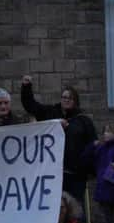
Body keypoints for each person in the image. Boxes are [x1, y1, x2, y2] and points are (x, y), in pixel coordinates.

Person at [21, 75, 97, 205]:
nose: (66, 100)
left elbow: (92, 146)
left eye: (70, 98)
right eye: (64, 97)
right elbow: (31, 106)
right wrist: (26, 87)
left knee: (76, 209)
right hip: (53, 174)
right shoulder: (50, 112)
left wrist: (89, 170)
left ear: (75, 101)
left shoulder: (84, 121)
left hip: (76, 175)